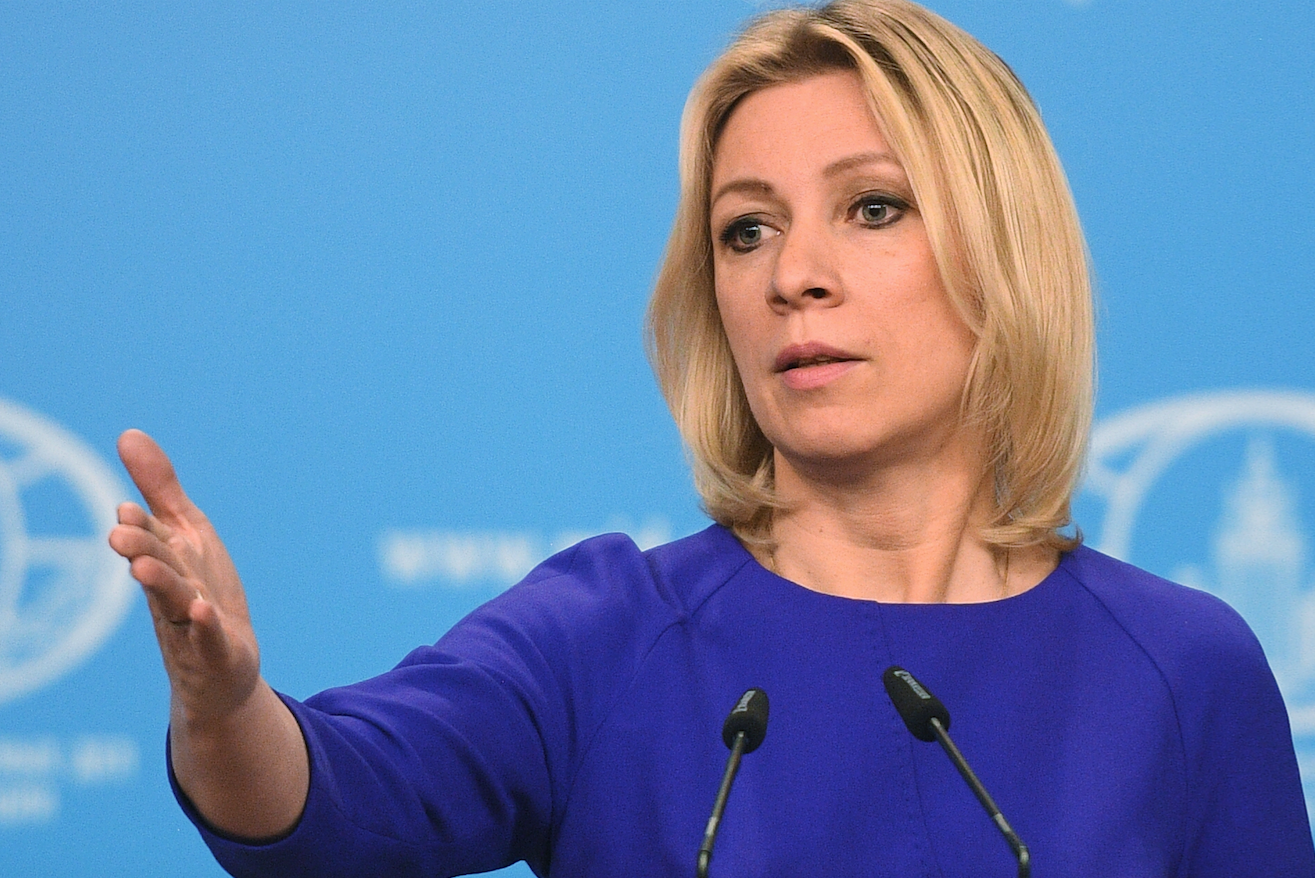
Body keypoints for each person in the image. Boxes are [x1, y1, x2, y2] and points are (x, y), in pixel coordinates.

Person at [108, 1, 1315, 876]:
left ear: (1005, 255)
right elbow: (333, 804)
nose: (793, 274)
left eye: (872, 208)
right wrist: (225, 707)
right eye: (746, 230)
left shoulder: (1181, 667)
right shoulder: (608, 635)